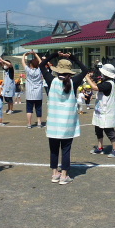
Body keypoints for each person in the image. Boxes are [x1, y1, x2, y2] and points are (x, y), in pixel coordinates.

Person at [40, 51, 88, 185]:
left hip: (54, 122)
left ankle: (55, 173)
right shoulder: (74, 82)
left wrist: (55, 54)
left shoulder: (51, 80)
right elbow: (85, 70)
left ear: (57, 70)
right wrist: (72, 57)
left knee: (54, 149)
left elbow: (41, 66)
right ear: (69, 71)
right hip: (67, 122)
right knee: (66, 149)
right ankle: (64, 175)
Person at [87, 63, 115, 157]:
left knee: (109, 131)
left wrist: (86, 77)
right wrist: (90, 79)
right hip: (100, 110)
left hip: (106, 111)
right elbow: (96, 86)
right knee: (98, 129)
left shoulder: (108, 84)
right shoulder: (105, 82)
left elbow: (94, 87)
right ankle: (100, 147)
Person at [21, 50, 44, 128]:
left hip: (30, 94)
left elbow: (23, 62)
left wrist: (24, 54)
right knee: (38, 109)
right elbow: (41, 61)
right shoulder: (39, 70)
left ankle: (29, 124)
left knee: (29, 110)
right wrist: (35, 54)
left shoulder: (28, 70)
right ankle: (39, 123)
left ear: (31, 65)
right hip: (38, 93)